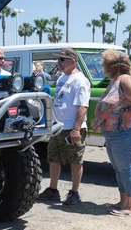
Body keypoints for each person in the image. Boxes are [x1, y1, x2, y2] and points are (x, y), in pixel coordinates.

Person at [92, 49, 131, 216]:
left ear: (113, 66)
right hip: (115, 134)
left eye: (105, 64)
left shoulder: (125, 80)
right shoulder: (116, 80)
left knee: (127, 168)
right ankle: (124, 201)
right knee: (120, 169)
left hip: (125, 133)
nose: (103, 67)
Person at [38, 47, 91, 205]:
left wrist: (76, 129)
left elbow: (82, 107)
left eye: (62, 60)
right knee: (54, 159)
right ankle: (53, 190)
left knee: (75, 161)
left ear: (72, 62)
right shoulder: (61, 78)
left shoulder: (80, 80)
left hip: (72, 129)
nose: (58, 63)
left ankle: (74, 193)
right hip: (58, 128)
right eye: (58, 59)